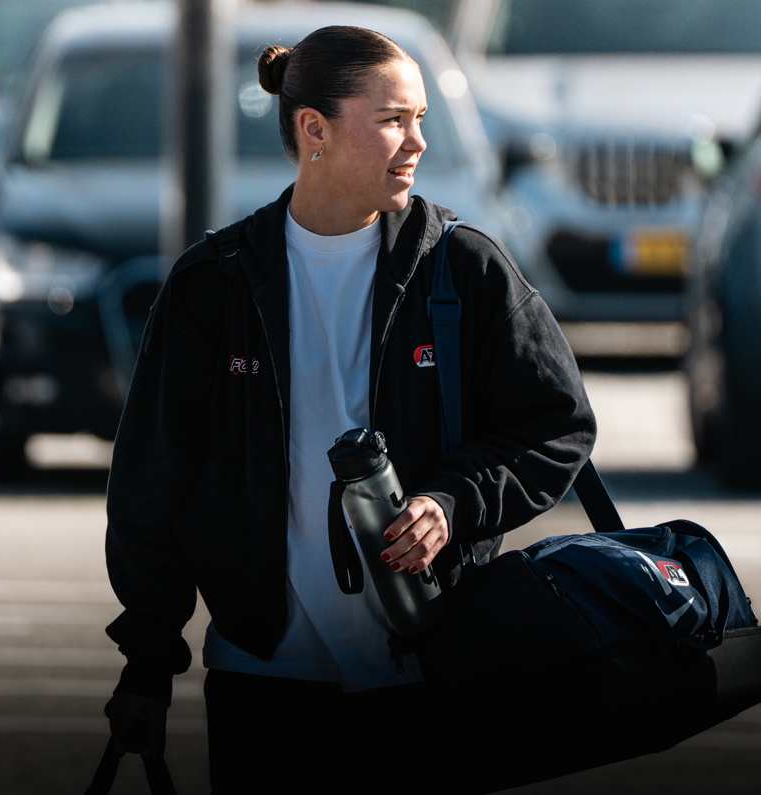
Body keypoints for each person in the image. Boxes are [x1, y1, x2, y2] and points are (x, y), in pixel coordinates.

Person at [103, 25, 596, 793]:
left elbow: (558, 425)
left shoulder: (465, 269)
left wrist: (452, 501)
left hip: (428, 678)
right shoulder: (213, 286)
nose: (418, 142)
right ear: (315, 129)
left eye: (420, 119)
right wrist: (146, 665)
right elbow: (151, 484)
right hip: (262, 683)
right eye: (394, 120)